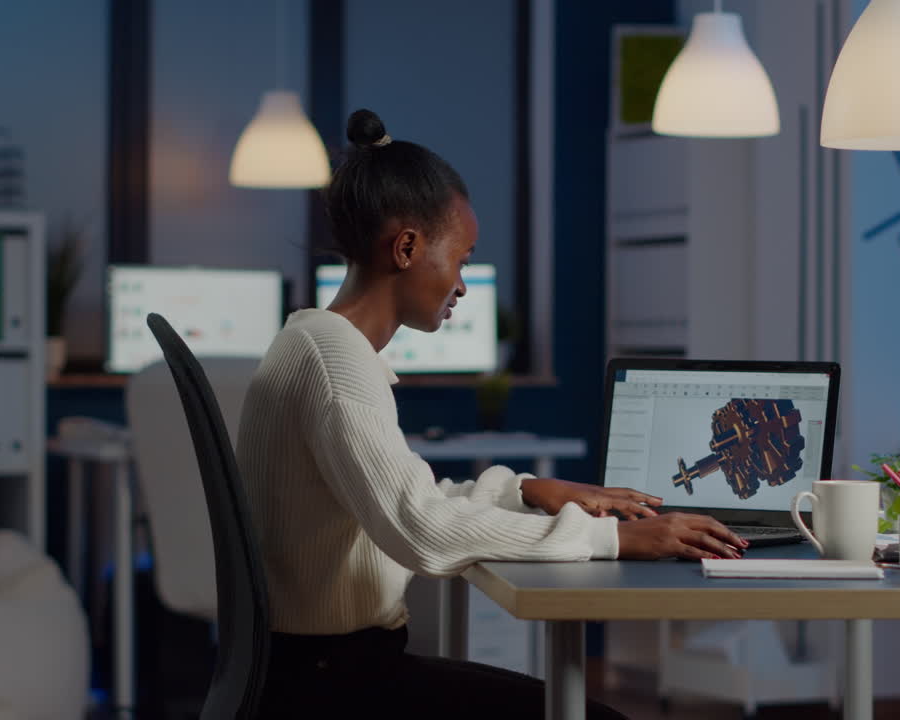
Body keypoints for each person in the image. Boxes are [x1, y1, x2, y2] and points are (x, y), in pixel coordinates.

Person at [236, 108, 747, 717]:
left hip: (321, 669)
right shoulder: (336, 364)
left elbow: (410, 499)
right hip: (333, 686)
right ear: (406, 248)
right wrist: (616, 537)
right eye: (462, 259)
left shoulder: (317, 344)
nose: (463, 284)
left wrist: (530, 490)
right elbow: (421, 529)